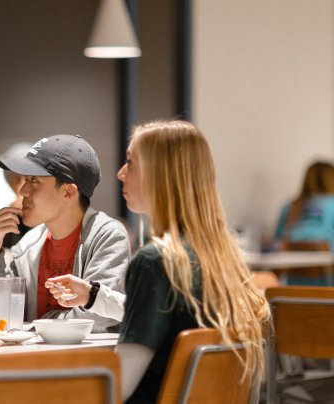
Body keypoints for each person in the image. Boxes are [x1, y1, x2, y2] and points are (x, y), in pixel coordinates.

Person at [51, 120, 269, 403]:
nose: (120, 174)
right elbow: (167, 315)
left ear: (161, 175)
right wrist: (95, 296)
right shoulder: (220, 258)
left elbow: (121, 385)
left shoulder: (155, 262)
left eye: (131, 163)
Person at [0, 134, 130, 332]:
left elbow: (97, 316)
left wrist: (35, 325)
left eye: (34, 181)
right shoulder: (28, 245)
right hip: (33, 359)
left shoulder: (107, 236)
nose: (23, 191)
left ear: (68, 192)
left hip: (88, 360)